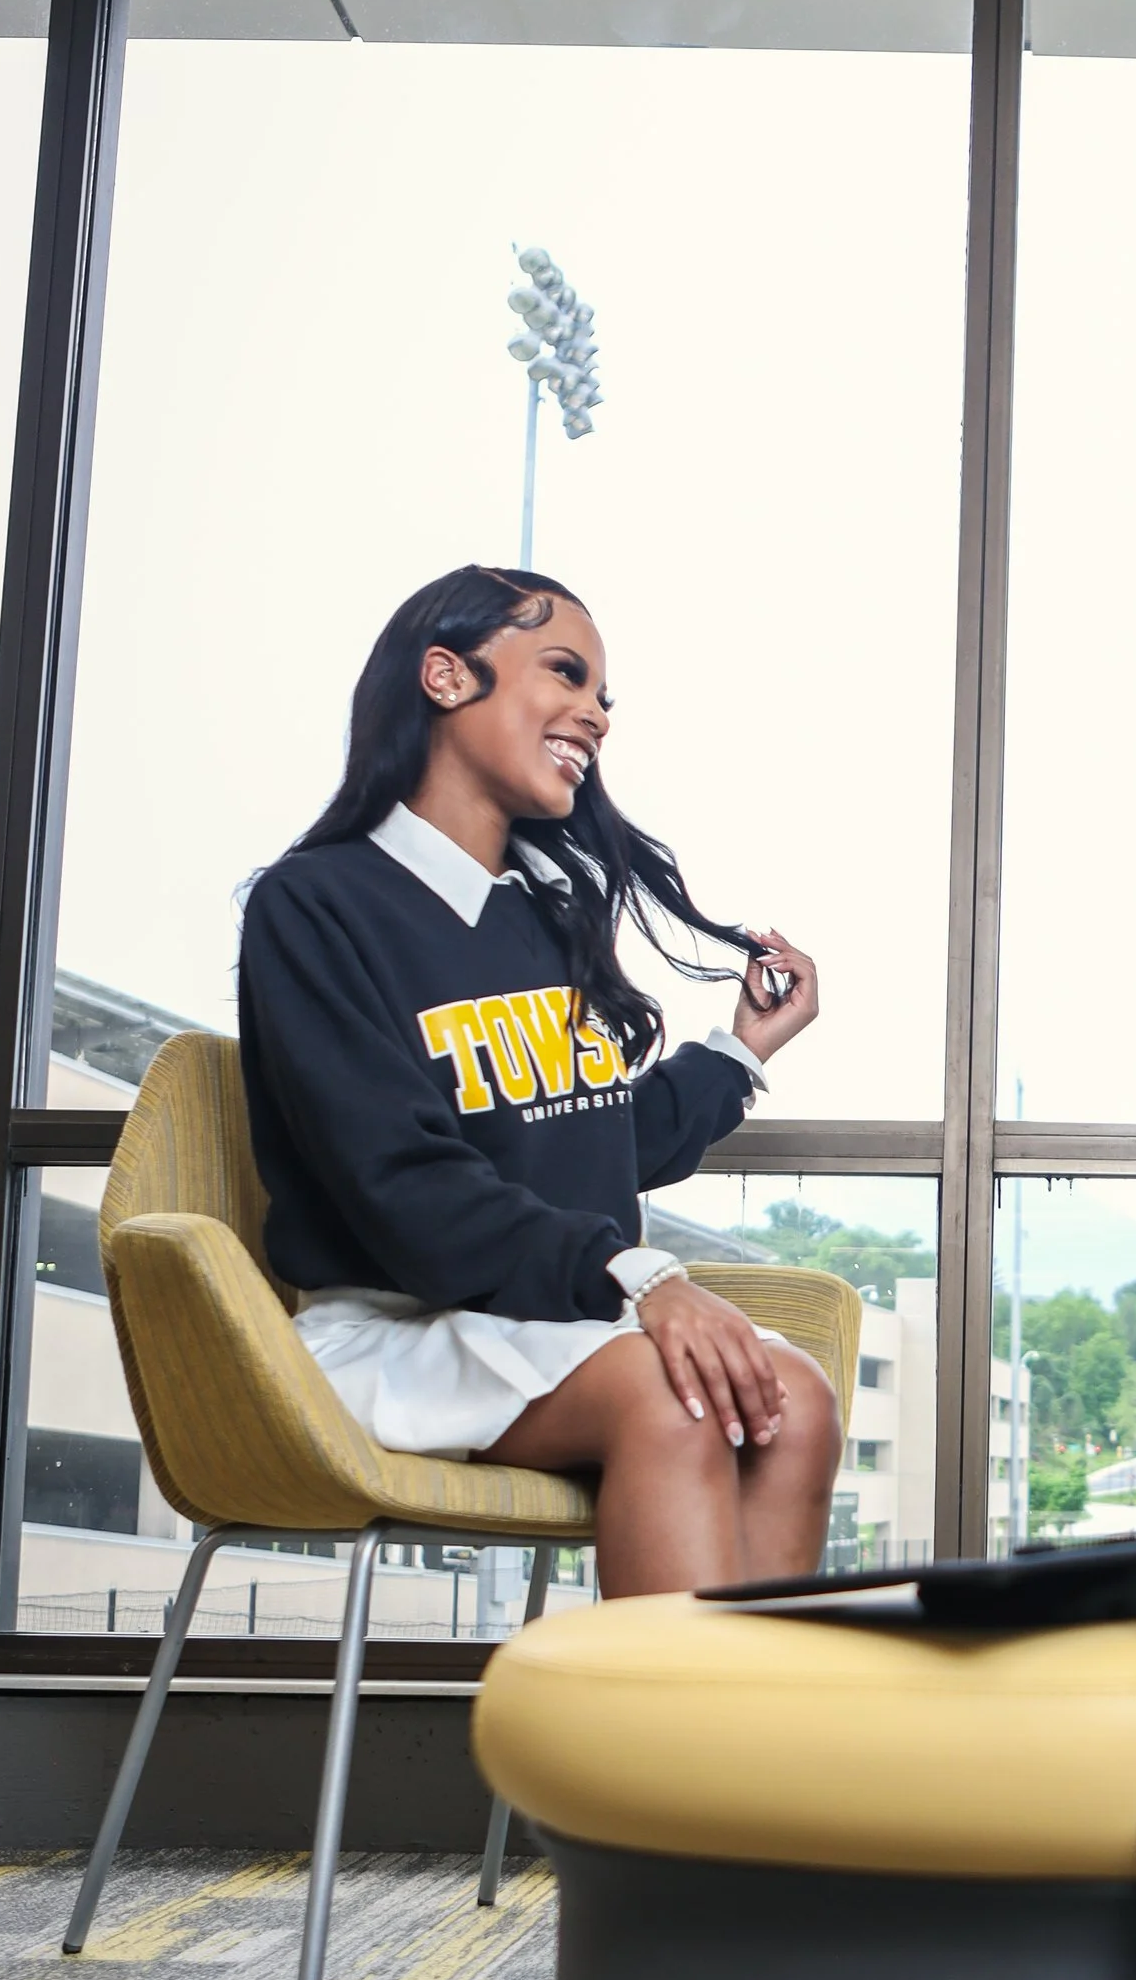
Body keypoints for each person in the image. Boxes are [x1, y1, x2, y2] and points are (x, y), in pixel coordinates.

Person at [237, 565, 841, 1596]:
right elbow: (399, 1181)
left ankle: (739, 1704)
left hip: (545, 1322)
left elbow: (588, 1139)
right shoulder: (314, 904)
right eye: (566, 673)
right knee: (683, 1395)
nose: (595, 715)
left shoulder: (548, 913)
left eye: (604, 696)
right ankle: (659, 1707)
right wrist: (636, 1277)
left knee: (796, 1401)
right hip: (391, 1331)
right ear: (445, 676)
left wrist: (741, 1054)